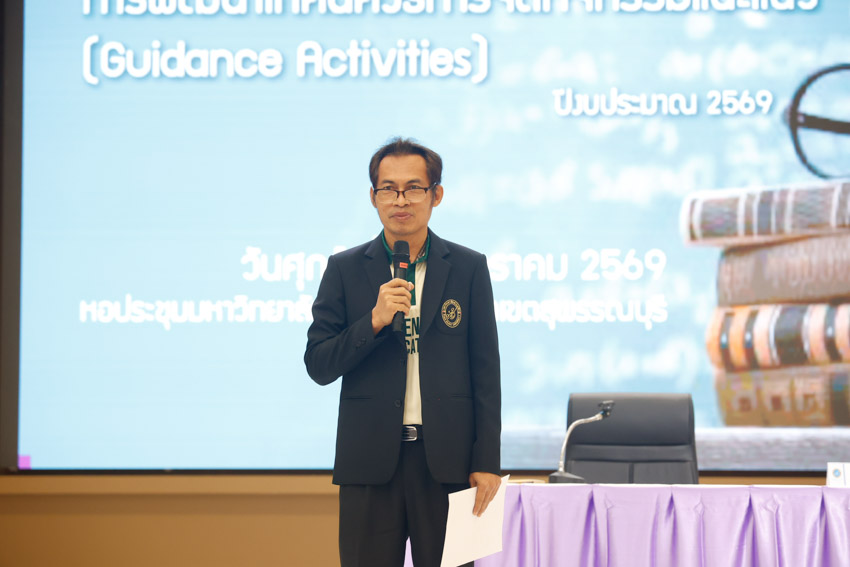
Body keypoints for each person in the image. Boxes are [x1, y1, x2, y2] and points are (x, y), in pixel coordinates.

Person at [304, 137, 502, 567]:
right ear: (373, 197)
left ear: (436, 195)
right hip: (369, 463)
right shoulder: (344, 269)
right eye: (388, 189)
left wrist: (487, 460)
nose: (400, 200)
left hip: (448, 465)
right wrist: (373, 322)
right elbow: (318, 364)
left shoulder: (468, 267)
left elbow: (486, 371)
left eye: (413, 188)